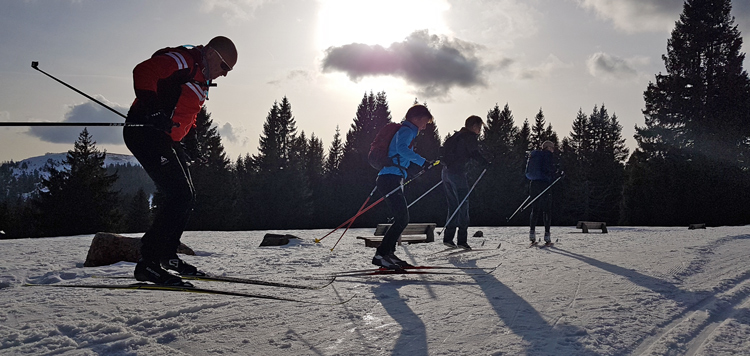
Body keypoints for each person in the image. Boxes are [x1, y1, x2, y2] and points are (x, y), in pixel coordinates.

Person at [123, 36, 237, 285]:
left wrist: (191, 138)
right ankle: (149, 263)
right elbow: (143, 71)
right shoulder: (184, 60)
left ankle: (166, 254)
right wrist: (153, 109)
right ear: (210, 53)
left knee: (188, 196)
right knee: (180, 195)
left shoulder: (201, 79)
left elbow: (188, 111)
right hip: (145, 132)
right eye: (225, 67)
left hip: (166, 139)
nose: (225, 74)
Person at [372, 104, 436, 269]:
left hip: (393, 177)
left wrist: (416, 168)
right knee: (402, 218)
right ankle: (381, 254)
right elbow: (401, 149)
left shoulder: (408, 132)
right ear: (415, 118)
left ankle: (388, 254)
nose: (425, 125)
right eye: (424, 121)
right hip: (390, 178)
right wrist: (422, 162)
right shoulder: (407, 131)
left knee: (401, 217)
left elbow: (400, 154)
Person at [440, 115, 490, 250]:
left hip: (446, 172)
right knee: (463, 205)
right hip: (458, 174)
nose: (480, 130)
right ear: (474, 126)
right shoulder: (469, 137)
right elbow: (474, 153)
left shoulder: (456, 136)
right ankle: (462, 240)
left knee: (453, 205)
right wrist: (485, 163)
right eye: (479, 127)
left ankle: (448, 238)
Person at [526, 140, 556, 245]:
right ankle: (547, 235)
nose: (553, 150)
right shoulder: (547, 155)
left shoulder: (535, 155)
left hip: (533, 183)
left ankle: (532, 233)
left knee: (535, 208)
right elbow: (549, 170)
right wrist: (556, 174)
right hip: (545, 184)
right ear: (548, 148)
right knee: (547, 210)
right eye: (552, 148)